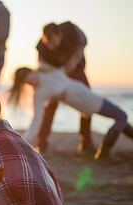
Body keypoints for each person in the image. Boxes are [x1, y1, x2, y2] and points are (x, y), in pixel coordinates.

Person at [8, 65, 133, 161]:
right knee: (122, 116)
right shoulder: (40, 93)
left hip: (90, 96)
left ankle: (104, 152)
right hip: (88, 102)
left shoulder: (48, 71)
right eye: (30, 82)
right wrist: (25, 140)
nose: (34, 82)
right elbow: (36, 120)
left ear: (33, 71)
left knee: (120, 118)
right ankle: (104, 152)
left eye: (32, 78)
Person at [36, 21, 94, 154]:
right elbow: (43, 70)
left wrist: (71, 64)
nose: (51, 46)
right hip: (54, 72)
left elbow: (81, 46)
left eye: (54, 42)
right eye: (48, 43)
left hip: (75, 67)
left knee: (88, 99)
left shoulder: (72, 30)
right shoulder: (40, 47)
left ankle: (86, 141)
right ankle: (42, 143)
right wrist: (56, 85)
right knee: (51, 104)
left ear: (60, 34)